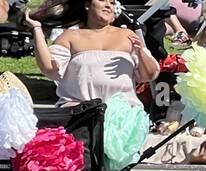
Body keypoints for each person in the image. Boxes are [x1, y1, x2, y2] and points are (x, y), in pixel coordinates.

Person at [25, 0, 159, 106]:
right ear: (87, 5)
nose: (108, 5)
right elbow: (49, 68)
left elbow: (150, 74)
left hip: (123, 113)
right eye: (102, 0)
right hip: (79, 110)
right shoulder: (70, 36)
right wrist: (37, 29)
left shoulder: (128, 36)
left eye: (112, 3)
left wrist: (141, 53)